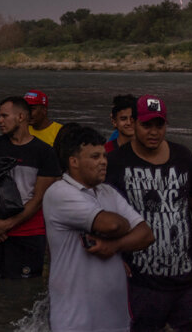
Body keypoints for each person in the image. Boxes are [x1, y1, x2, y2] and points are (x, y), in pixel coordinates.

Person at [105, 95, 192, 332]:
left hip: (188, 276)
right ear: (134, 123)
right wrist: (114, 257)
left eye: (159, 125)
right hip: (141, 279)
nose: (154, 132)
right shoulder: (115, 162)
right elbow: (102, 213)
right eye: (147, 125)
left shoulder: (182, 156)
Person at [43, 126, 154, 332]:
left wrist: (114, 245)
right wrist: (124, 227)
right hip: (75, 321)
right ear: (74, 162)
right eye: (95, 157)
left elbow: (146, 234)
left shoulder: (107, 191)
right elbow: (111, 224)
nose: (103, 161)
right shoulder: (59, 193)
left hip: (115, 321)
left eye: (104, 155)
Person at [0, 96, 61, 279]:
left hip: (27, 233)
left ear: (21, 117)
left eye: (4, 116)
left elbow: (38, 198)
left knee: (23, 289)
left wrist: (6, 225)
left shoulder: (44, 152)